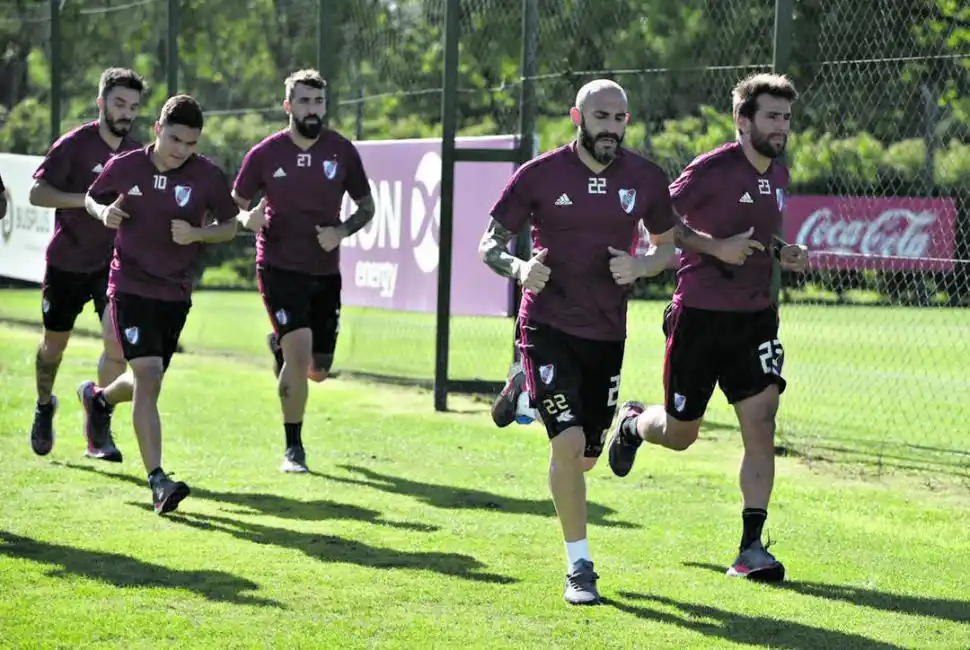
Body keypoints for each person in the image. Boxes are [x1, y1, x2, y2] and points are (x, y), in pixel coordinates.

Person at [478, 79, 765, 605]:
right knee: (567, 446)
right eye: (601, 117)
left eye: (619, 118)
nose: (610, 127)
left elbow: (669, 248)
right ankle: (579, 567)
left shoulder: (645, 178)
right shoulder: (540, 174)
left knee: (588, 457)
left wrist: (640, 265)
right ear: (577, 118)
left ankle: (524, 393)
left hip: (607, 333)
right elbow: (489, 243)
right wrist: (520, 268)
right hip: (546, 325)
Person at [605, 72, 809, 582]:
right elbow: (658, 221)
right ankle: (633, 423)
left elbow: (760, 232)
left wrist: (782, 250)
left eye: (786, 117)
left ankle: (751, 548)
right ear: (743, 120)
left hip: (755, 319)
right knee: (680, 435)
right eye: (772, 117)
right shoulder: (711, 169)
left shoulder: (779, 175)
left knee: (762, 424)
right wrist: (716, 248)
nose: (782, 127)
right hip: (699, 317)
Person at [79, 94, 262, 514]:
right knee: (148, 376)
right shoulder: (127, 165)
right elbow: (92, 196)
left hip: (175, 294)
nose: (181, 150)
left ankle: (99, 400)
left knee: (149, 378)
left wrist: (196, 234)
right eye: (175, 139)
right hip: (129, 287)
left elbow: (228, 226)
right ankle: (158, 481)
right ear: (158, 129)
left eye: (191, 143)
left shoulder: (207, 175)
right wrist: (103, 212)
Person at [234, 68, 375, 474]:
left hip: (324, 271)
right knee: (298, 356)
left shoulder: (342, 151)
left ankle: (279, 347)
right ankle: (293, 449)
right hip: (278, 267)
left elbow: (367, 207)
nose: (312, 109)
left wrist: (340, 231)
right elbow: (235, 205)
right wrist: (247, 219)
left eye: (318, 102)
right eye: (304, 102)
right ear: (288, 106)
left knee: (318, 370)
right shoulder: (265, 154)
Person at [26, 67, 145, 461]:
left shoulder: (137, 152)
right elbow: (37, 194)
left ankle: (99, 423)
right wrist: (88, 202)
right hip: (67, 261)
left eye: (133, 106)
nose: (126, 113)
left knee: (117, 346)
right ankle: (45, 405)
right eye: (119, 103)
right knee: (53, 347)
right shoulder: (74, 145)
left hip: (113, 266)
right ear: (101, 103)